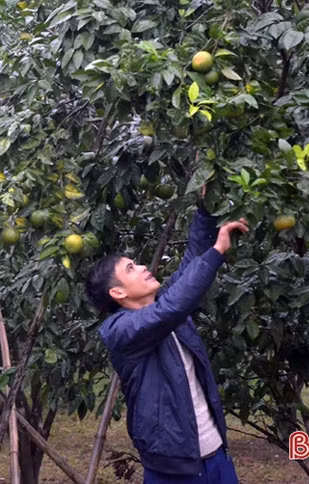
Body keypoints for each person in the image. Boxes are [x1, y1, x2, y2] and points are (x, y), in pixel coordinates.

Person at [87, 200, 249, 484]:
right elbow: (171, 309)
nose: (141, 268)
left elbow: (193, 259)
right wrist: (218, 252)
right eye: (130, 268)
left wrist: (205, 205)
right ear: (118, 292)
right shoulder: (120, 331)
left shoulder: (164, 303)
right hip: (173, 472)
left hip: (217, 459)